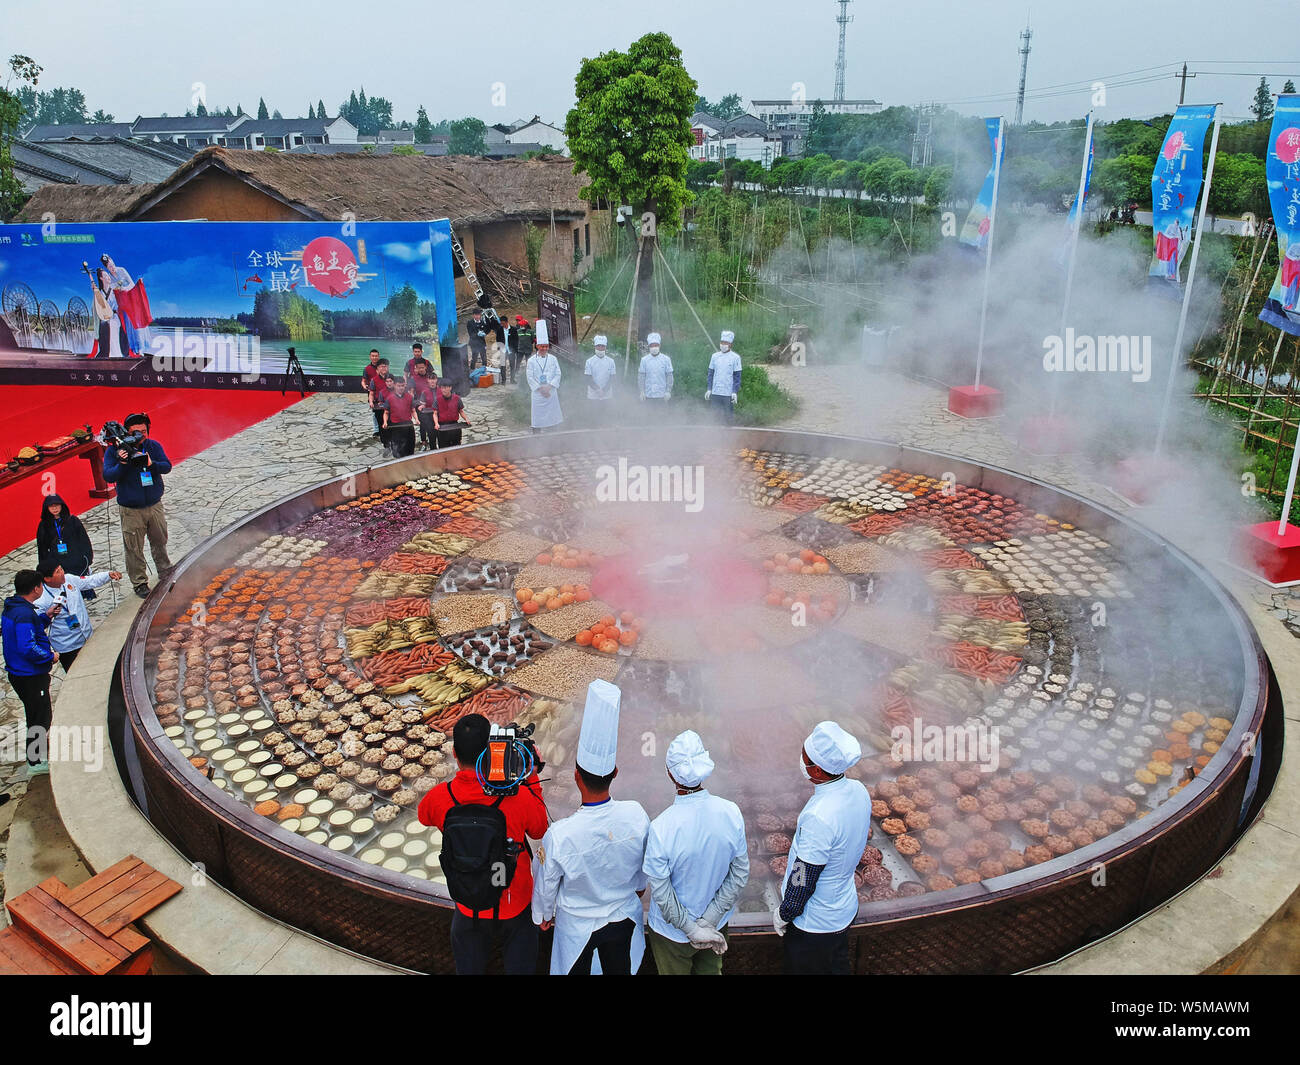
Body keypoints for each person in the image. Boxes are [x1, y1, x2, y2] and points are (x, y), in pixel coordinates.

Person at [532, 680, 650, 975]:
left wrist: (543, 915)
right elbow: (642, 873)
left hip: (577, 926)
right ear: (616, 774)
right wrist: (636, 889)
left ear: (575, 777)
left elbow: (546, 884)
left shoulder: (560, 835)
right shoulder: (636, 814)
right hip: (625, 918)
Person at [417, 712, 548, 975]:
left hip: (469, 901)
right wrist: (531, 777)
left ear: (454, 753)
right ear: (490, 749)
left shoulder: (441, 797)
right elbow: (539, 829)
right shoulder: (518, 796)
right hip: (514, 901)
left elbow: (423, 816)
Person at [643, 731, 749, 975]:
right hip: (716, 927)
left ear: (670, 773)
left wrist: (690, 929)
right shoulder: (731, 812)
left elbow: (661, 890)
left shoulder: (662, 826)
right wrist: (709, 921)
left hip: (672, 935)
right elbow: (740, 873)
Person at [773, 721, 872, 975]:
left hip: (814, 924)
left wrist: (786, 913)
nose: (801, 760)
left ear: (816, 769)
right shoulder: (858, 790)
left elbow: (803, 876)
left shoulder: (820, 816)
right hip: (843, 908)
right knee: (837, 965)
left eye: (804, 757)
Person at [103, 412, 172, 599]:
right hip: (131, 509)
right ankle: (139, 582)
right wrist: (123, 463)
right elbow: (108, 476)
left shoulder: (153, 446)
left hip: (154, 504)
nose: (140, 435)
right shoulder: (114, 450)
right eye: (135, 432)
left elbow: (167, 466)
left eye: (143, 431)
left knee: (160, 540)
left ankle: (165, 571)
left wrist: (151, 464)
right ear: (127, 432)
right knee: (134, 548)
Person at [2, 570, 59, 776]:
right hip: (30, 676)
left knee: (36, 714)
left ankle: (37, 754)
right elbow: (27, 646)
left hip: (19, 674)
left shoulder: (13, 607)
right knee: (39, 717)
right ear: (36, 588)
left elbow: (26, 632)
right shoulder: (24, 613)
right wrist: (49, 656)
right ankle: (35, 762)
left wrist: (45, 617)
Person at [32, 560, 121, 674]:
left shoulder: (69, 580)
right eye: (57, 572)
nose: (62, 573)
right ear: (47, 578)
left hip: (86, 636)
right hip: (67, 646)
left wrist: (108, 575)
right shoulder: (41, 600)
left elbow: (89, 581)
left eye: (61, 569)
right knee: (78, 674)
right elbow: (37, 625)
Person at [35, 494, 95, 595]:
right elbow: (42, 547)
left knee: (78, 583)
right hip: (57, 560)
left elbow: (83, 539)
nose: (55, 509)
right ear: (47, 508)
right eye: (51, 506)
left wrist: (87, 557)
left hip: (74, 558)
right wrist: (43, 566)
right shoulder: (44, 525)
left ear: (62, 506)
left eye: (57, 505)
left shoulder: (72, 520)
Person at [526, 319, 563, 433]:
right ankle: (536, 437)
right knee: (537, 418)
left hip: (551, 392)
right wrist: (541, 388)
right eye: (542, 346)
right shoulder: (531, 360)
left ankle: (553, 437)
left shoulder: (553, 359)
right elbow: (530, 377)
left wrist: (549, 386)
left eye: (546, 346)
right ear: (537, 346)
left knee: (553, 417)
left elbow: (558, 373)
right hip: (538, 393)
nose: (544, 349)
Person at [705, 329, 742, 423]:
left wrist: (734, 391)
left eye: (725, 343)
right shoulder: (714, 356)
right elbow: (710, 374)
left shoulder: (735, 358)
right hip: (716, 392)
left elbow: (737, 377)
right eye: (721, 342)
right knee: (714, 417)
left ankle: (729, 435)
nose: (723, 344)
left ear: (730, 344)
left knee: (728, 417)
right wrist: (709, 389)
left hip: (728, 393)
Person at [380, 375, 418, 458]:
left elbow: (413, 410)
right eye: (398, 386)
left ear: (405, 385)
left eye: (402, 386)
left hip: (408, 425)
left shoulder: (409, 397)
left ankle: (409, 462)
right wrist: (385, 422)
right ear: (394, 386)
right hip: (396, 426)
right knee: (397, 449)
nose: (401, 388)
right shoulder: (390, 398)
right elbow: (386, 412)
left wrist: (416, 420)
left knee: (410, 447)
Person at [431, 378, 472, 449]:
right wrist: (436, 423)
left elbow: (461, 411)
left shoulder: (457, 398)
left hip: (455, 426)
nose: (443, 390)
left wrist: (466, 419)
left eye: (445, 388)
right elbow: (435, 413)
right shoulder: (437, 400)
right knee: (443, 448)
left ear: (450, 387)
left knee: (456, 447)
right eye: (442, 388)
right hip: (443, 427)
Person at [584, 335, 616, 423]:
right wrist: (598, 390)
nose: (600, 348)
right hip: (593, 395)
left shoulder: (611, 361)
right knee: (594, 418)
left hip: (607, 394)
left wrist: (604, 390)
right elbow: (588, 378)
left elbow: (612, 378)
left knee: (607, 418)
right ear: (595, 346)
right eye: (598, 346)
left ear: (605, 347)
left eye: (602, 346)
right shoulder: (589, 361)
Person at [410, 361, 438, 450]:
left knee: (435, 426)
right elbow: (411, 392)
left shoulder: (430, 376)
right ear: (416, 369)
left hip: (434, 408)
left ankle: (435, 442)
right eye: (419, 368)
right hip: (421, 404)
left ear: (425, 367)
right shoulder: (413, 378)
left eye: (423, 367)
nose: (421, 369)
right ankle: (424, 442)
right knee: (423, 425)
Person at [638, 332, 673, 403]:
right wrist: (642, 391)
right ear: (649, 346)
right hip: (648, 395)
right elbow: (641, 377)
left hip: (662, 396)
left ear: (659, 345)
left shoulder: (666, 359)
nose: (654, 347)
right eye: (652, 345)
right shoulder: (644, 360)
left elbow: (669, 377)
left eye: (656, 345)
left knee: (662, 414)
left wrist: (668, 391)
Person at [361, 349, 384, 437]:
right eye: (373, 356)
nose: (374, 358)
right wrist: (364, 386)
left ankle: (385, 426)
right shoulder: (367, 369)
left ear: (378, 356)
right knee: (375, 412)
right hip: (373, 392)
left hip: (383, 393)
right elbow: (363, 381)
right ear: (370, 357)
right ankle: (376, 429)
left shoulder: (382, 367)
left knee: (385, 410)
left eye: (376, 356)